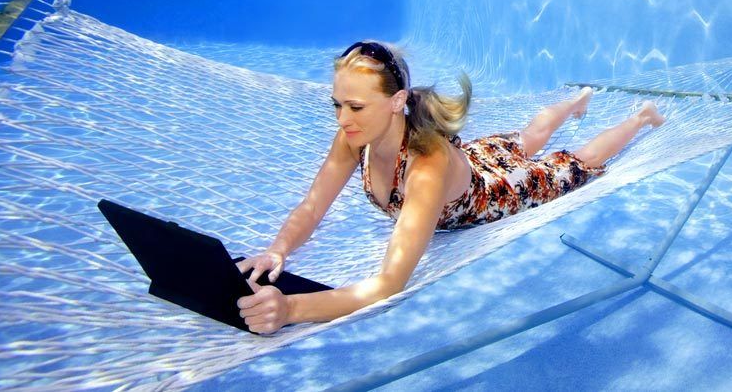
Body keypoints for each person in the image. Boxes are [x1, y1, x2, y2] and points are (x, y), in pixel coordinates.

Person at [236, 41, 665, 334]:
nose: (342, 118)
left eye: (355, 106)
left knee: (575, 163)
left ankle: (640, 117)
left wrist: (292, 308)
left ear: (397, 102)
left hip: (497, 191)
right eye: (338, 105)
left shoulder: (425, 167)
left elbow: (388, 283)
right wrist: (279, 249)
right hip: (472, 162)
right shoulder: (355, 135)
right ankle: (576, 101)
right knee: (523, 139)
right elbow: (312, 207)